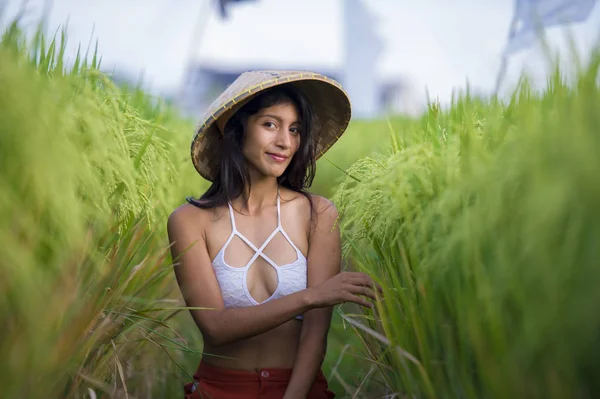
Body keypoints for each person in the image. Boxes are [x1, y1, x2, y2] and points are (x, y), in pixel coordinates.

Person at [167, 70, 381, 399]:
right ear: (235, 128)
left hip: (299, 388)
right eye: (270, 124)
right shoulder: (190, 221)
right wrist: (313, 296)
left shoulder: (318, 214)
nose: (286, 142)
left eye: (295, 129)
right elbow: (216, 328)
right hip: (220, 389)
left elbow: (315, 331)